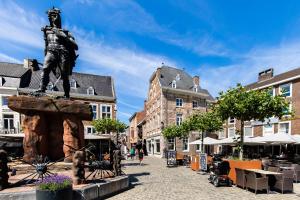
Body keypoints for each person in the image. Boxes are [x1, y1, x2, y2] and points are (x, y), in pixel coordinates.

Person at [37, 7, 78, 99]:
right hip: (51, 51)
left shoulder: (66, 32)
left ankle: (66, 95)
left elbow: (76, 46)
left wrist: (62, 36)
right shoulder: (47, 30)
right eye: (51, 16)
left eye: (55, 16)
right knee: (45, 69)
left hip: (63, 53)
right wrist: (45, 53)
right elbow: (46, 44)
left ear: (59, 17)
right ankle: (41, 89)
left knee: (64, 75)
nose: (53, 18)